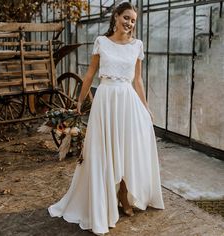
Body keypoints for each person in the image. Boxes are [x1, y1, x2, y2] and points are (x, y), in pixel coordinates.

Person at [48, 2, 164, 235]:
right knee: (103, 151)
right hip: (105, 100)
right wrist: (81, 100)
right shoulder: (102, 42)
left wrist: (146, 107)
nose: (130, 23)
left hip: (127, 102)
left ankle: (124, 193)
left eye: (133, 20)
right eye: (126, 18)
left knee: (127, 148)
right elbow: (90, 74)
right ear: (116, 16)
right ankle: (106, 200)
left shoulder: (137, 46)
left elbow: (138, 81)